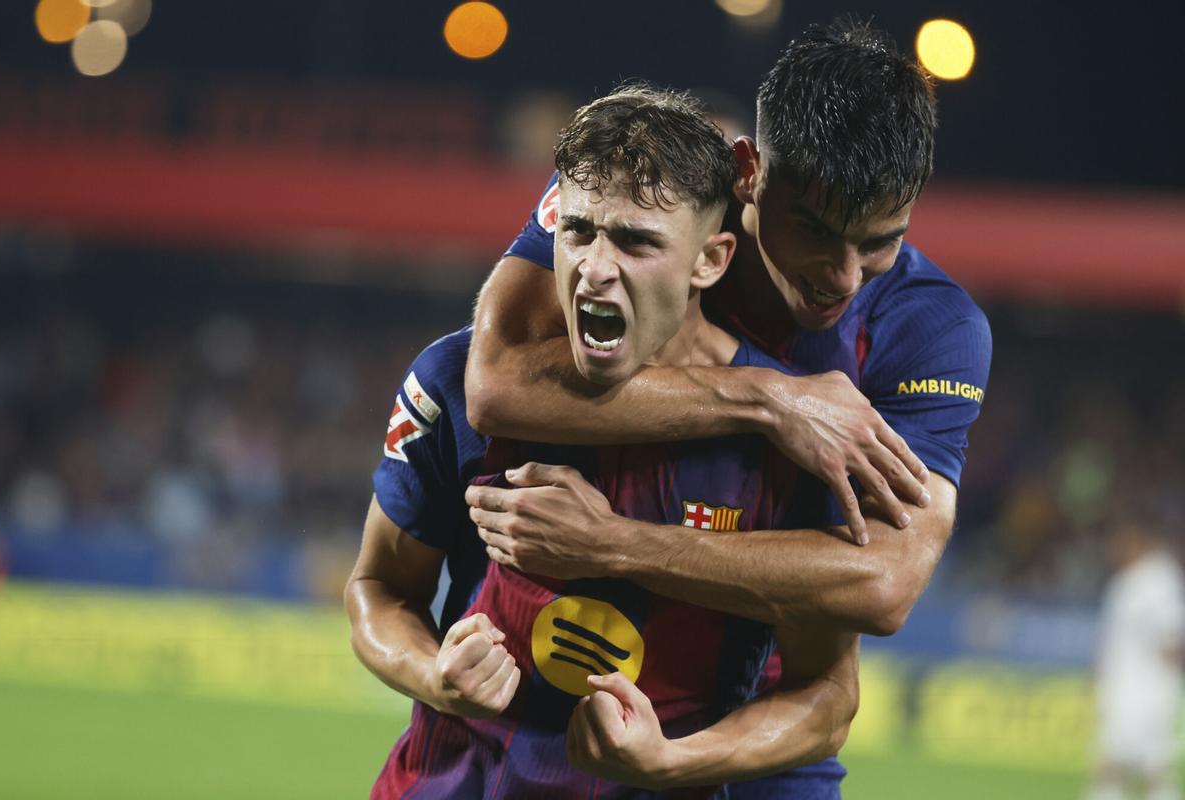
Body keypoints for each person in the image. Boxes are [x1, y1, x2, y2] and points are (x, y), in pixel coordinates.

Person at [347, 86, 858, 799]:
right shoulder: (454, 384)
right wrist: (432, 673)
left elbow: (826, 695)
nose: (593, 266)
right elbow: (377, 588)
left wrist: (674, 762)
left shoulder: (795, 435)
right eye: (579, 230)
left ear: (710, 261)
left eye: (637, 240)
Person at [465, 17, 991, 642]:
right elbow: (495, 384)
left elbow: (883, 583)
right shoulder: (649, 193)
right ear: (750, 171)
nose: (846, 277)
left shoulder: (935, 328)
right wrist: (770, 398)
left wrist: (614, 545)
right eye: (816, 232)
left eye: (881, 241)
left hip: (762, 696)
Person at [1087, 517, 1185, 800]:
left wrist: (1164, 689)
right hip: (1123, 687)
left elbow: (1173, 637)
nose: (1114, 550)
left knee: (1144, 768)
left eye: (1120, 543)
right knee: (1127, 766)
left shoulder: (1158, 579)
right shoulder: (1127, 581)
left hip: (1145, 692)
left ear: (1137, 542)